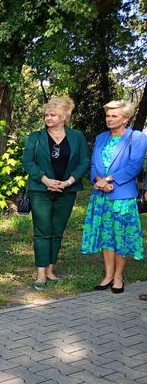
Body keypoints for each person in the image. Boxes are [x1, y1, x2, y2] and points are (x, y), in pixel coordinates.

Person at [22, 96, 90, 290]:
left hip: (67, 191)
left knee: (57, 231)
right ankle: (41, 273)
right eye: (46, 115)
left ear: (63, 117)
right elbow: (28, 162)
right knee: (42, 231)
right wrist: (45, 180)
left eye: (53, 115)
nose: (48, 118)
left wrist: (69, 181)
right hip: (41, 190)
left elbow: (84, 161)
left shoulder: (77, 136)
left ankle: (51, 269)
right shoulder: (36, 137)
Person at [81, 100, 147, 294]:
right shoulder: (101, 137)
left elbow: (134, 166)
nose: (109, 119)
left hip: (123, 197)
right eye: (108, 115)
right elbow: (93, 164)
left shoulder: (136, 137)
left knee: (121, 237)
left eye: (114, 116)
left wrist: (109, 179)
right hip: (100, 195)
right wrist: (98, 180)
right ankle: (108, 275)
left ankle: (118, 277)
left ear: (125, 118)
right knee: (106, 236)